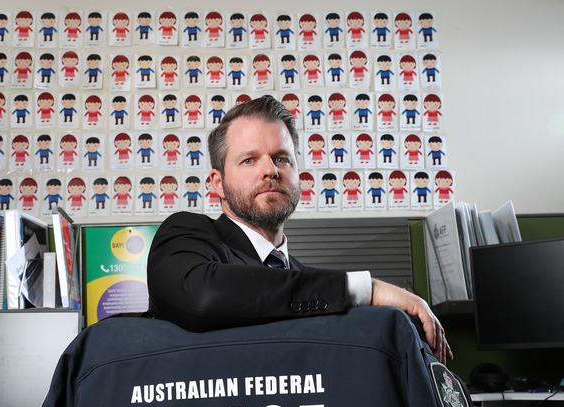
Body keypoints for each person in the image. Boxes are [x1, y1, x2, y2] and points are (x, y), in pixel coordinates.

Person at [147, 95, 451, 363]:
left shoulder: (310, 286)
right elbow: (204, 297)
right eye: (249, 160)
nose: (270, 170)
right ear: (218, 183)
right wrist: (366, 289)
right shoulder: (187, 234)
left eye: (282, 158)